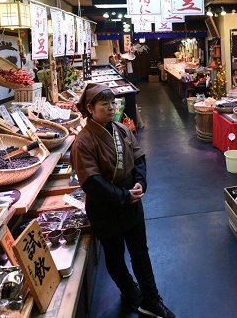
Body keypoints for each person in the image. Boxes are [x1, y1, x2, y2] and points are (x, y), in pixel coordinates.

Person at [72, 82, 175, 318]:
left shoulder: (121, 129)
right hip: (106, 207)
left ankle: (151, 299)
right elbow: (91, 182)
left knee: (140, 252)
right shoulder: (84, 141)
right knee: (115, 255)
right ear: (90, 108)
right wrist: (122, 195)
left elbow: (139, 157)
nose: (111, 107)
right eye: (104, 104)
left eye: (112, 102)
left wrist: (140, 183)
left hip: (131, 200)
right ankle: (130, 292)